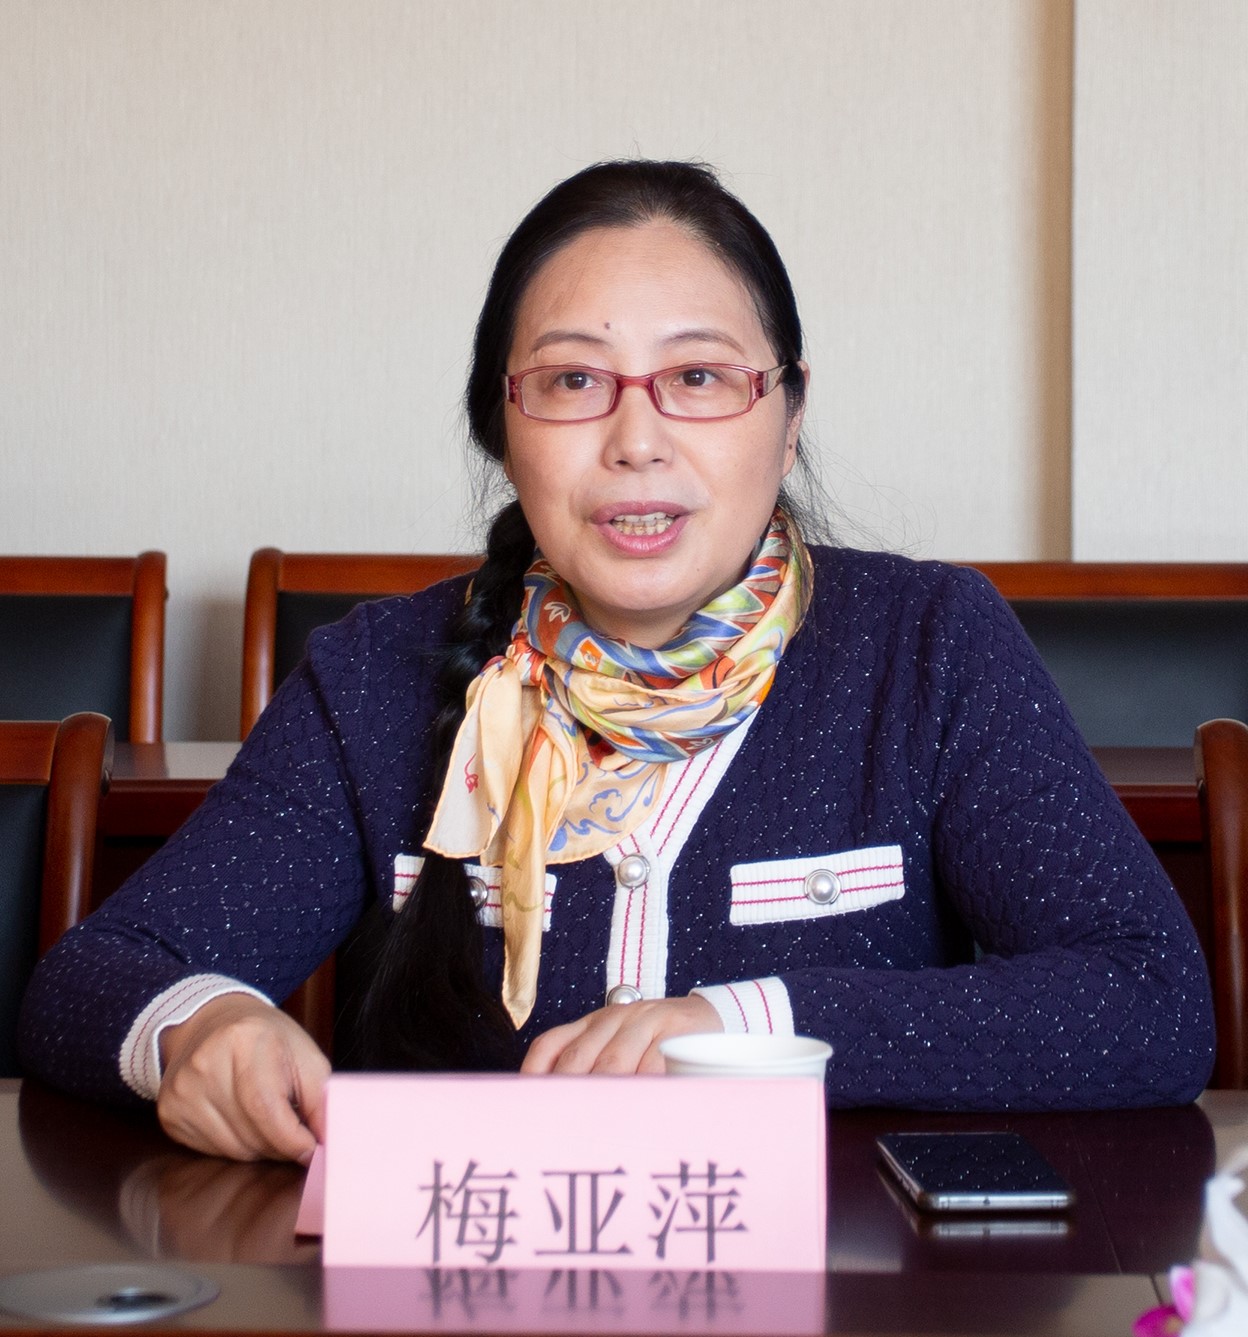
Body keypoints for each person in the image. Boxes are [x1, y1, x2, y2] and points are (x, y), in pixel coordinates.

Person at [20, 160, 1214, 1163]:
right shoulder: (377, 676)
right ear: (502, 427)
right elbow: (94, 976)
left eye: (698, 377)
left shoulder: (928, 647)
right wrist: (196, 1026)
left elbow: (1149, 999)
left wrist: (747, 1026)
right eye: (574, 381)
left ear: (789, 413)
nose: (636, 440)